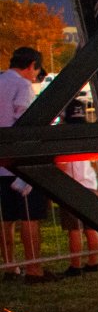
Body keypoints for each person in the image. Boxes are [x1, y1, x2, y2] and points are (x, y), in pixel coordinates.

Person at [1, 47, 56, 283]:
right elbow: (25, 121)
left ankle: (9, 266)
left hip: (0, 164)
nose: (35, 76)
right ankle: (34, 268)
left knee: (5, 219)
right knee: (29, 217)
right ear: (32, 64)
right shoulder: (22, 86)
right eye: (36, 71)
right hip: (20, 164)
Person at [57, 96, 98, 276]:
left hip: (71, 185)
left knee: (74, 229)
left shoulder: (63, 138)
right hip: (89, 182)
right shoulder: (85, 134)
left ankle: (75, 264)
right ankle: (94, 261)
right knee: (91, 227)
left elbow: (63, 165)